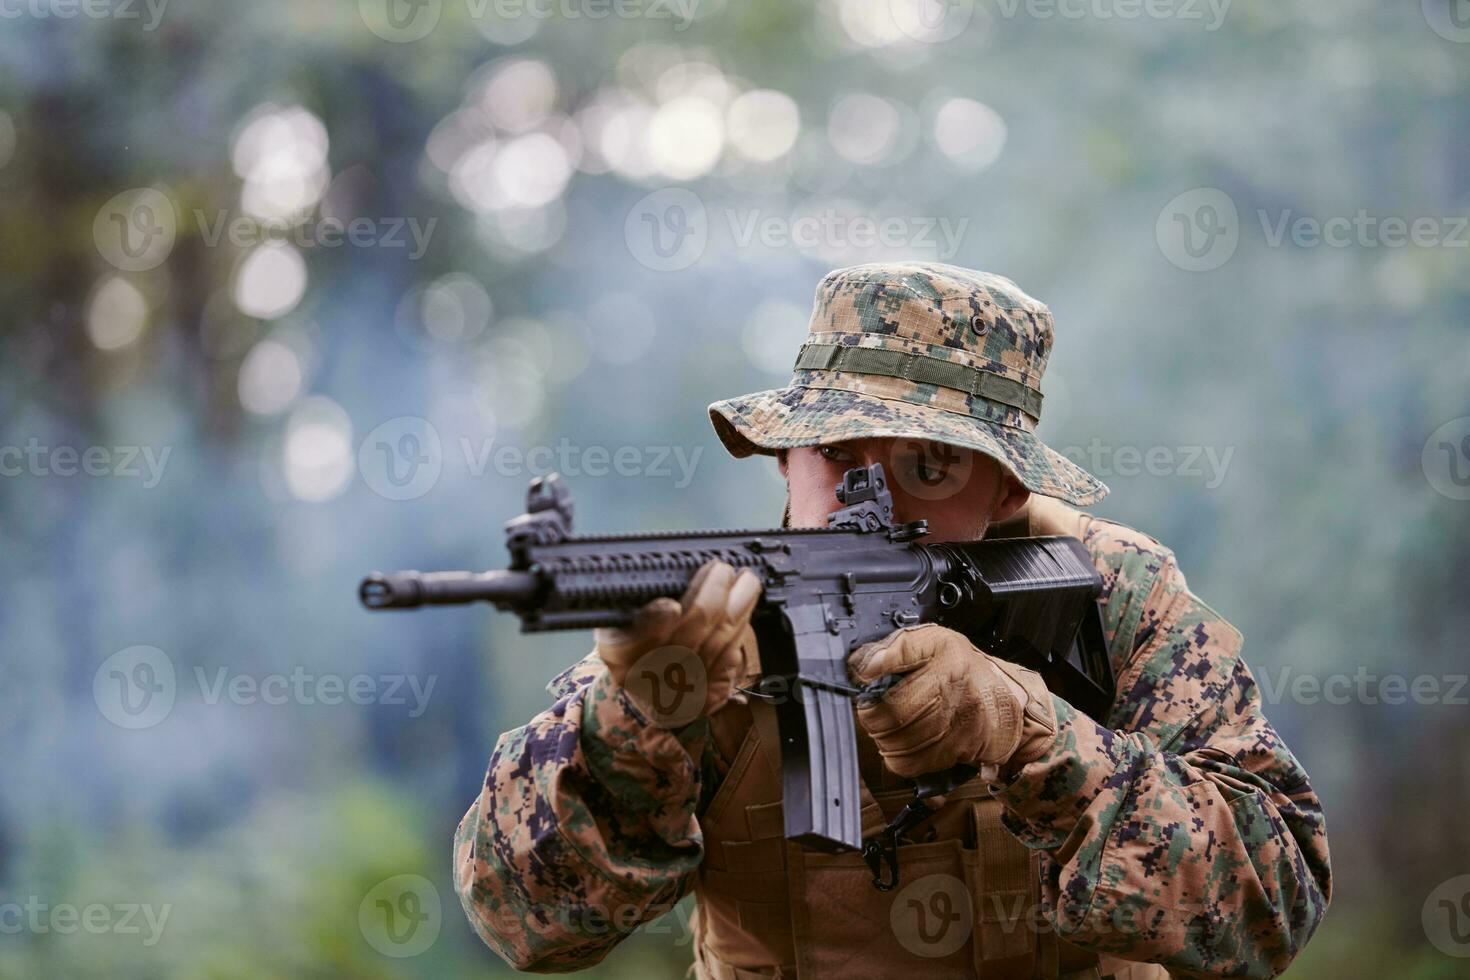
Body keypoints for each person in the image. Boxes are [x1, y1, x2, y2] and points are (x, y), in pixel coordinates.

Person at [452, 262, 1331, 979]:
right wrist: (632, 726)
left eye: (929, 466)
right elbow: (526, 925)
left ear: (1008, 487)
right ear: (784, 458)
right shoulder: (704, 616)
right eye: (833, 454)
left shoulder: (1109, 595)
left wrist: (1034, 736)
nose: (861, 501)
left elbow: (1272, 906)